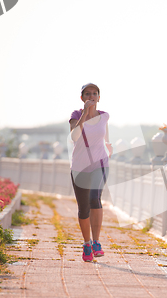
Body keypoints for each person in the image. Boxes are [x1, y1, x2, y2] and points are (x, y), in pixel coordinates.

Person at [69, 83, 113, 262]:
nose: (91, 96)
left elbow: (105, 135)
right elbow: (74, 136)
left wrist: (108, 145)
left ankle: (96, 242)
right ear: (82, 98)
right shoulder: (76, 115)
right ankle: (86, 244)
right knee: (83, 208)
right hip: (80, 166)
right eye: (88, 94)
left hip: (100, 164)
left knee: (95, 198)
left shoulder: (104, 116)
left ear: (99, 97)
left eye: (95, 93)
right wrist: (85, 114)